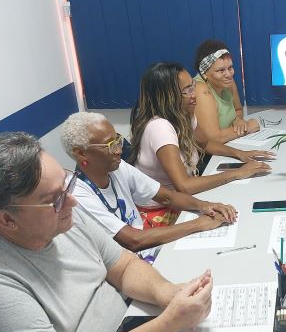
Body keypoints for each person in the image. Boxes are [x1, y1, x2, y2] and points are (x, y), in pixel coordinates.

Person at [0, 132, 214, 332]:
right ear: (6, 219)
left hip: (128, 326)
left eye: (66, 184)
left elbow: (124, 266)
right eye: (54, 199)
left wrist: (167, 294)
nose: (71, 200)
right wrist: (169, 323)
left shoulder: (60, 214)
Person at [61, 111, 237, 258]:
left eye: (118, 140)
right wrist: (198, 224)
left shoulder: (118, 167)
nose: (119, 150)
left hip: (147, 247)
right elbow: (133, 241)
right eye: (110, 145)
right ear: (81, 153)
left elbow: (166, 197)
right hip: (128, 263)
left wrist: (206, 206)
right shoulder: (78, 195)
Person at [129, 61, 272, 196]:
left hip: (184, 195)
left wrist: (240, 154)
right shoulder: (160, 127)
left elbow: (205, 144)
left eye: (193, 86)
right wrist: (237, 173)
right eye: (186, 90)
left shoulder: (185, 114)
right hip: (165, 208)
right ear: (167, 97)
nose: (194, 94)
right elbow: (185, 186)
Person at [193, 39, 259, 143]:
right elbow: (212, 139)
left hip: (227, 144)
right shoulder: (200, 90)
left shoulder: (227, 81)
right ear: (204, 74)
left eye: (230, 67)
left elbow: (238, 110)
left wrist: (237, 120)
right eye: (220, 70)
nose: (228, 74)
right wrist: (248, 127)